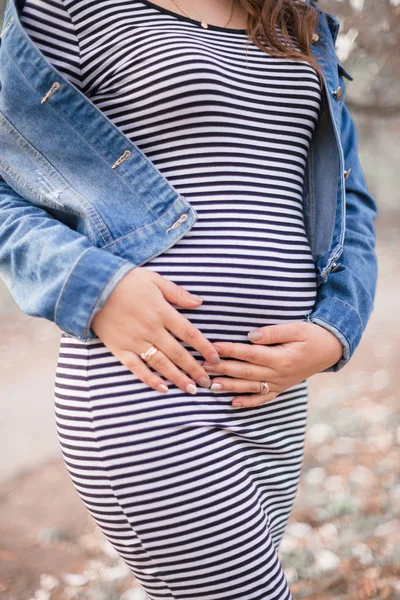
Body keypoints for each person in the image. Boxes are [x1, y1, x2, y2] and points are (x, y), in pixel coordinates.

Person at [0, 0, 378, 598]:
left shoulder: (295, 20)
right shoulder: (66, 12)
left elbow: (349, 197)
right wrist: (92, 285)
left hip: (273, 397)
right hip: (150, 390)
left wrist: (336, 329)